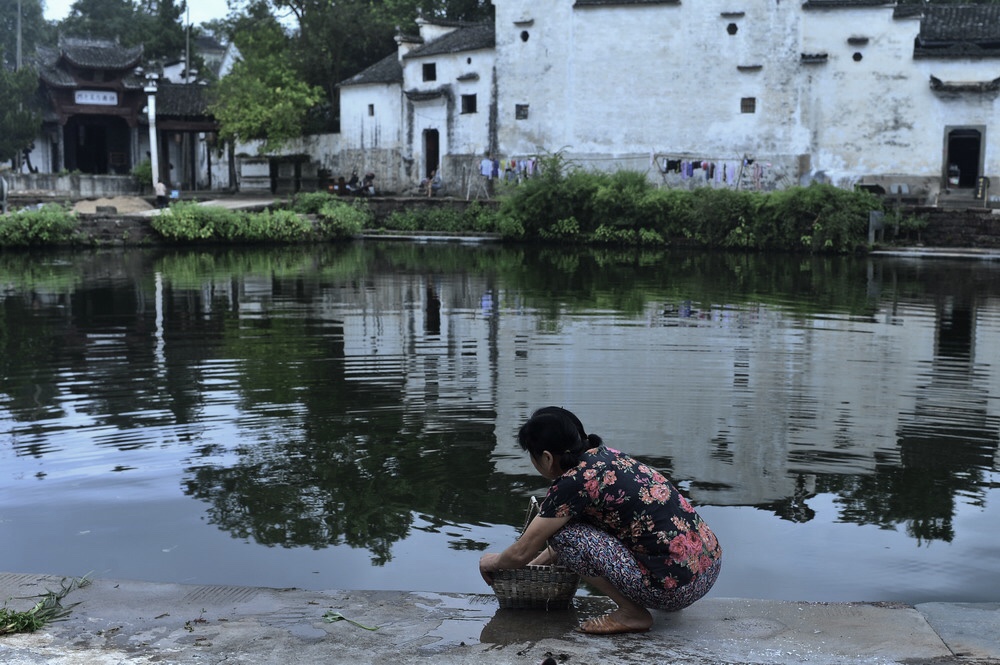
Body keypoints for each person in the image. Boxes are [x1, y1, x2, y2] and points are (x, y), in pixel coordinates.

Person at [479, 407, 722, 635]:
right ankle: (646, 600)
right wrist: (537, 564)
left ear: (546, 458)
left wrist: (493, 562)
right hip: (707, 571)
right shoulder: (606, 456)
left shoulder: (571, 483)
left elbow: (523, 551)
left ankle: (632, 613)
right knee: (570, 531)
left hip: (673, 592)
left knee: (564, 537)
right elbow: (570, 543)